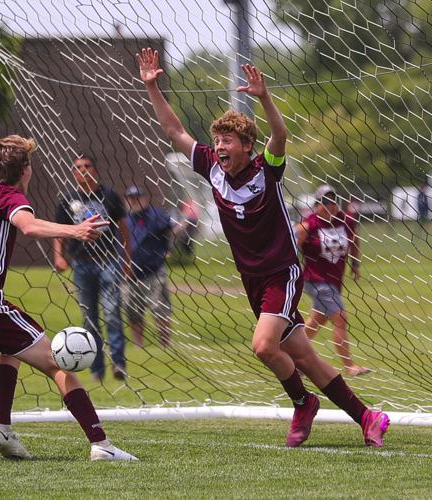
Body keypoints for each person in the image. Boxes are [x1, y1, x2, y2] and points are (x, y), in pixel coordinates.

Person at [137, 47, 389, 447]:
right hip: (252, 278)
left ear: (246, 145)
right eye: (217, 140)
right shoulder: (210, 167)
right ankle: (367, 417)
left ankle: (303, 403)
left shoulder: (265, 169)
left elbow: (280, 135)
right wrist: (152, 87)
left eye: (227, 140)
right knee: (306, 358)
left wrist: (264, 98)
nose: (218, 146)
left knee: (262, 345)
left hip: (282, 271)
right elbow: (174, 131)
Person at [0, 135, 136, 461]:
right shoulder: (9, 198)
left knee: (11, 351)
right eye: (30, 165)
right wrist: (75, 231)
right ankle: (101, 445)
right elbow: (28, 226)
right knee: (57, 362)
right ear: (24, 170)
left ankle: (2, 428)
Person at [53, 155, 131, 381]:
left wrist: (126, 260)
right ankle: (96, 367)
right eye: (78, 167)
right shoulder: (68, 199)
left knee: (112, 312)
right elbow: (60, 231)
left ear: (95, 170)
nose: (83, 170)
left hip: (108, 262)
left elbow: (124, 230)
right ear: (73, 172)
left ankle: (118, 363)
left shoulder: (109, 196)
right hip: (82, 265)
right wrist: (59, 257)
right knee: (89, 318)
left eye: (87, 166)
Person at [295, 186, 370, 377]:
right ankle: (349, 366)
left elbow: (354, 241)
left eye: (333, 202)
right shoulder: (307, 226)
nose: (330, 206)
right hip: (315, 280)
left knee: (317, 320)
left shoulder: (346, 221)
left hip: (334, 281)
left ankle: (293, 358)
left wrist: (355, 264)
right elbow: (291, 250)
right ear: (317, 205)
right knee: (340, 317)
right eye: (325, 202)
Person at [123, 185, 174, 348]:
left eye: (137, 197)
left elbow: (170, 229)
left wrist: (168, 249)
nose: (134, 201)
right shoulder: (122, 219)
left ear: (144, 198)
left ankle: (165, 343)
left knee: (161, 308)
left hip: (154, 271)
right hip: (128, 274)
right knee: (133, 312)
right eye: (131, 198)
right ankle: (139, 345)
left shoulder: (155, 215)